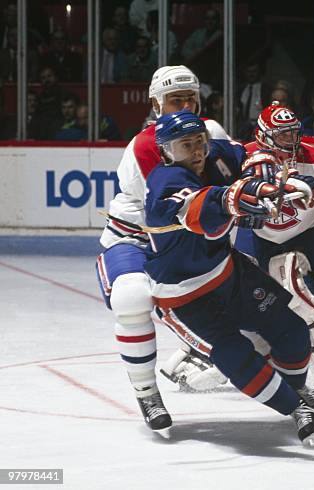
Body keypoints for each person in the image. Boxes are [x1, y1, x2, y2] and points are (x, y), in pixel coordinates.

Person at [167, 102, 314, 390]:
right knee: (252, 302)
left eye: (294, 134)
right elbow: (204, 182)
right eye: (282, 135)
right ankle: (217, 351)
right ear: (263, 135)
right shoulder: (241, 160)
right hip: (259, 237)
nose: (291, 142)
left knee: (302, 287)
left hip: (312, 229)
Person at [145, 110, 314, 448]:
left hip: (229, 274)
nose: (196, 151)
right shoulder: (163, 183)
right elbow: (202, 211)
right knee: (235, 355)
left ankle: (296, 389)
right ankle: (295, 408)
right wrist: (238, 197)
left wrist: (264, 167)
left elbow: (246, 151)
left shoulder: (215, 154)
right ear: (166, 151)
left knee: (291, 329)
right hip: (184, 297)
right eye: (185, 145)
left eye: (198, 142)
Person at [95, 65, 231, 432]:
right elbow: (166, 212)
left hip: (184, 233)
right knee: (132, 297)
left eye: (191, 98)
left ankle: (200, 348)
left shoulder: (212, 131)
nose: (185, 104)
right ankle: (147, 392)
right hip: (135, 237)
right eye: (176, 99)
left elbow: (235, 174)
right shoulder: (144, 145)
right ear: (157, 103)